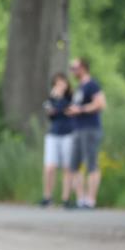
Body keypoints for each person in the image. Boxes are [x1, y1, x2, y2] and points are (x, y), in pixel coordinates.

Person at [67, 57, 106, 209]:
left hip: (90, 129)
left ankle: (91, 200)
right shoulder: (79, 87)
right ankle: (81, 199)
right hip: (77, 129)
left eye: (74, 67)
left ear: (83, 68)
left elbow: (101, 104)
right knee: (74, 165)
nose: (72, 71)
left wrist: (81, 109)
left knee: (91, 164)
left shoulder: (92, 85)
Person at [40, 73, 75, 208]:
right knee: (49, 167)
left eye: (63, 83)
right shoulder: (50, 99)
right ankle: (47, 197)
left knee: (67, 167)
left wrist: (59, 101)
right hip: (53, 134)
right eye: (57, 84)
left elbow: (69, 110)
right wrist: (55, 100)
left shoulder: (72, 97)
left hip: (68, 134)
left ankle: (66, 198)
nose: (60, 86)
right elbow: (50, 112)